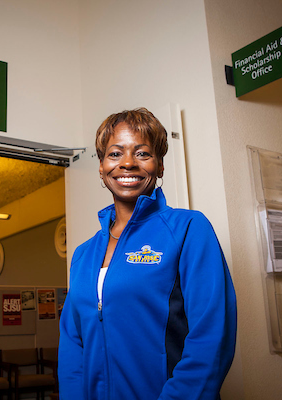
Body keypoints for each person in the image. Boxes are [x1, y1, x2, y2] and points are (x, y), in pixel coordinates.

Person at [58, 108, 237, 400]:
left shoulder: (189, 229)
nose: (127, 163)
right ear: (101, 168)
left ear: (160, 166)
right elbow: (72, 344)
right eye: (115, 154)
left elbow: (212, 337)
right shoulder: (83, 254)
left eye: (142, 154)